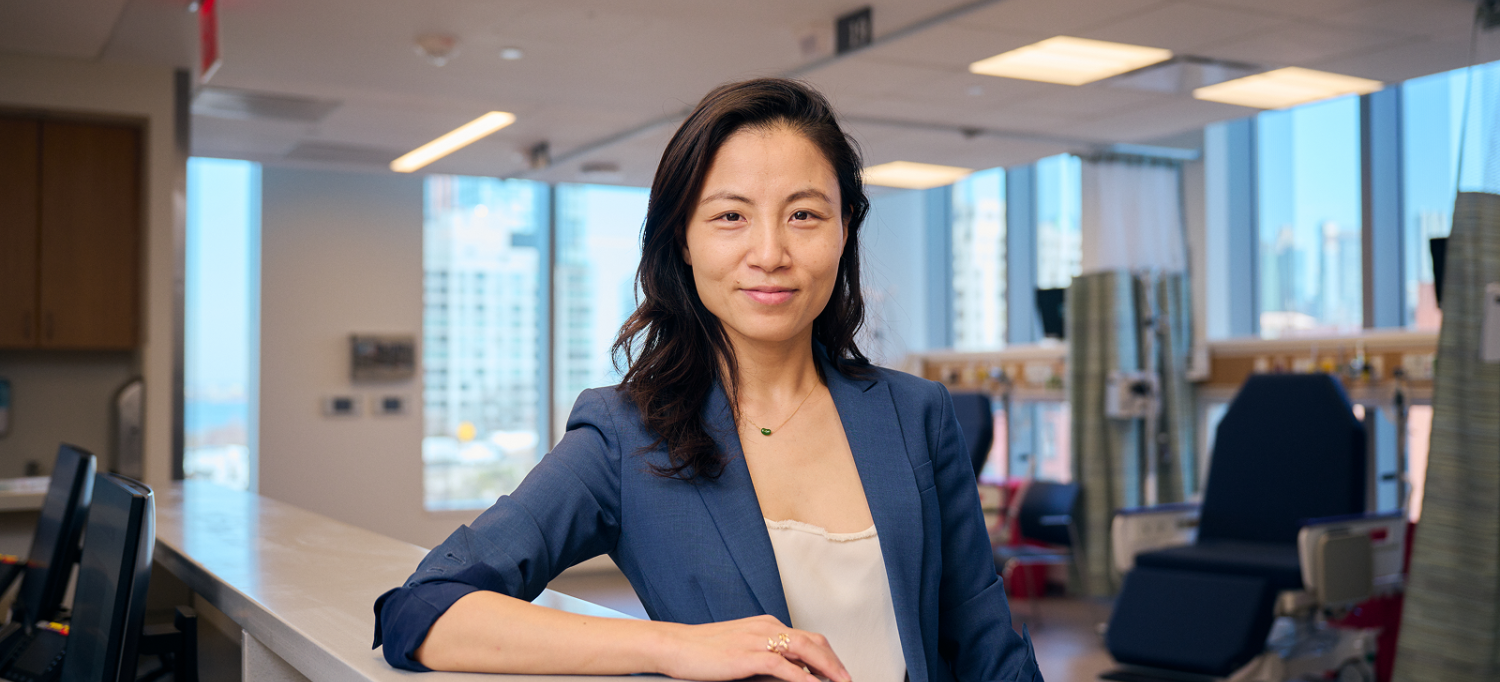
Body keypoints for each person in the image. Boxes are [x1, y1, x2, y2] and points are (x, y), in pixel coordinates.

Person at [373, 77, 1041, 682]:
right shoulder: (625, 435)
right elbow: (424, 610)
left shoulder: (916, 412)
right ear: (683, 242)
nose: (771, 253)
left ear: (845, 232)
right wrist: (671, 646)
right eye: (730, 216)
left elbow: (988, 652)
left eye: (804, 214)